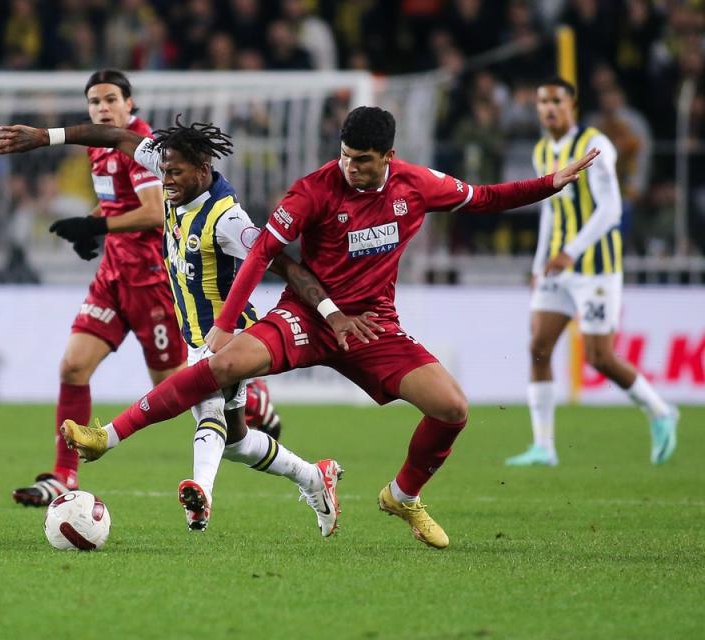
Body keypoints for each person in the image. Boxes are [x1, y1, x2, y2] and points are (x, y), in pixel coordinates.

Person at [55, 106, 597, 549]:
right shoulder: (314, 189)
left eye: (362, 161)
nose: (350, 168)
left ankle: (403, 496)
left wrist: (552, 182)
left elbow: (486, 198)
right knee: (220, 365)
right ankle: (108, 436)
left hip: (373, 328)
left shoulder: (417, 185)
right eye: (344, 156)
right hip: (307, 318)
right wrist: (225, 325)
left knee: (452, 408)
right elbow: (266, 250)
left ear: (388, 157)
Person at [0, 115, 383, 536]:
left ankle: (198, 493)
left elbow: (286, 266)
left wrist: (331, 312)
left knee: (206, 405)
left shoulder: (228, 219)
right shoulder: (168, 166)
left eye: (175, 173)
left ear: (202, 170)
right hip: (194, 333)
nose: (166, 180)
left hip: (228, 335)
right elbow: (116, 136)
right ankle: (313, 476)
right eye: (163, 170)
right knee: (237, 443)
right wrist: (45, 137)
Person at [3, 70, 184, 507]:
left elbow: (155, 213)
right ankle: (65, 476)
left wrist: (97, 225)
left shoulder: (142, 146)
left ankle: (247, 395)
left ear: (129, 104)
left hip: (152, 282)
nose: (102, 108)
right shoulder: (98, 150)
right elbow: (112, 200)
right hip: (112, 280)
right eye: (94, 102)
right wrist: (92, 223)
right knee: (73, 368)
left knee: (172, 388)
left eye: (110, 99)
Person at [506, 77, 678, 468]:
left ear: (573, 106)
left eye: (556, 101)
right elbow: (549, 209)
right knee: (538, 347)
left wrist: (570, 251)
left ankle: (660, 410)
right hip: (557, 267)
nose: (549, 108)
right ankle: (544, 446)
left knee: (600, 357)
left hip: (596, 269)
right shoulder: (541, 151)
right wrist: (539, 265)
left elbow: (611, 210)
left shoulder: (594, 147)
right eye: (542, 101)